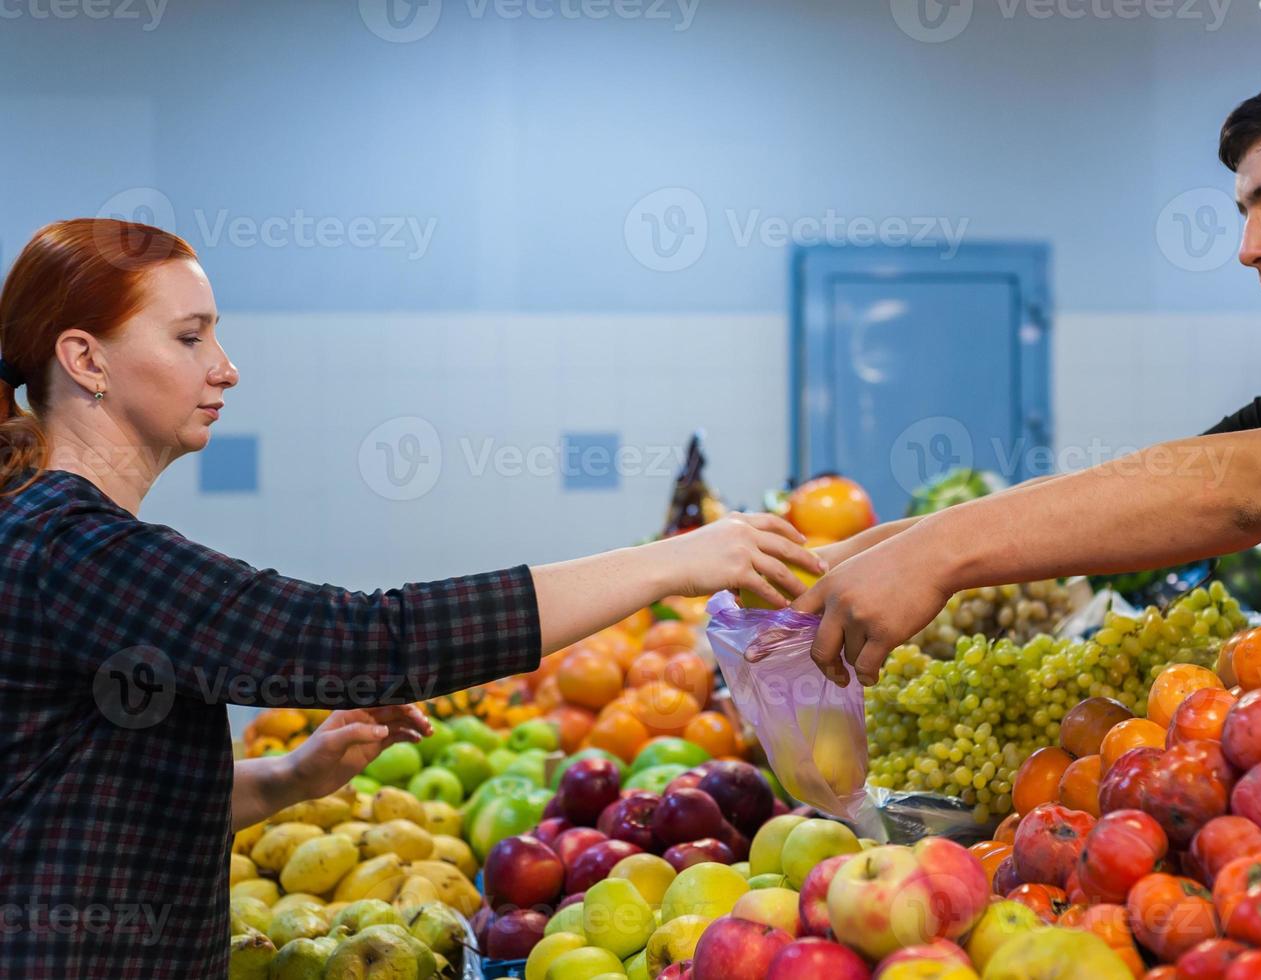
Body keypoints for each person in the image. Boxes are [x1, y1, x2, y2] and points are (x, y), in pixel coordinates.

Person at [0, 217, 825, 975]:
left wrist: (287, 778)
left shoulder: (66, 538)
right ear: (86, 360)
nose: (226, 367)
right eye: (190, 337)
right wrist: (668, 566)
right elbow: (361, 641)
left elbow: (89, 790)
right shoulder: (75, 548)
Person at [797, 55, 1261, 687]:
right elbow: (1138, 487)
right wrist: (826, 565)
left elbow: (1244, 490)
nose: (1248, 250)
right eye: (1245, 216)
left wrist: (939, 553)